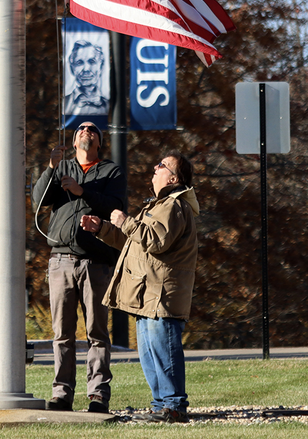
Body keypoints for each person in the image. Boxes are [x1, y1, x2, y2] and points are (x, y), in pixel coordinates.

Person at [80, 151, 198, 423]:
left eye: (162, 165)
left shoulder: (173, 206)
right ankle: (161, 406)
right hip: (148, 297)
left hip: (161, 296)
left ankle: (174, 407)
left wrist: (125, 221)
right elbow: (137, 244)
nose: (155, 168)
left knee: (163, 353)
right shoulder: (159, 206)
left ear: (174, 177)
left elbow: (155, 241)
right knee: (150, 356)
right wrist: (103, 230)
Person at [33, 122, 127, 413]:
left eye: (92, 130)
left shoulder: (111, 171)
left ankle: (98, 394)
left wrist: (81, 190)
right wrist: (51, 167)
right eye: (80, 130)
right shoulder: (62, 168)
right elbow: (39, 200)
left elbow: (115, 205)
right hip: (60, 261)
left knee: (97, 332)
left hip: (96, 262)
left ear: (99, 143)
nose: (86, 130)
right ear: (73, 143)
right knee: (62, 333)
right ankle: (62, 394)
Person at [62, 40, 108, 116]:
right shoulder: (64, 103)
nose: (86, 69)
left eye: (92, 62)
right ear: (72, 68)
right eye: (79, 63)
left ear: (101, 66)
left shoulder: (111, 106)